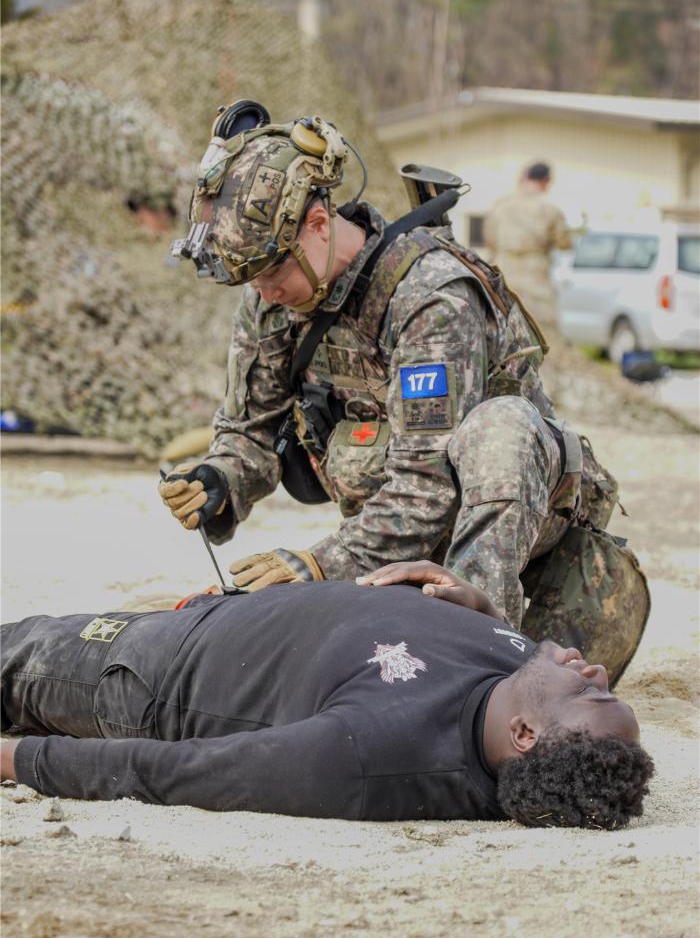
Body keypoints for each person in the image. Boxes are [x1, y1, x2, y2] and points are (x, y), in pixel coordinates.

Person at [158, 105, 613, 633]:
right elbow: (251, 429)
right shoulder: (272, 299)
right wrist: (219, 478)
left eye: (273, 272)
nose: (264, 293)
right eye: (251, 280)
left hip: (523, 540)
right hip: (396, 545)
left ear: (319, 224)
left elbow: (428, 486)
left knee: (501, 428)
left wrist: (318, 564)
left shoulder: (430, 296)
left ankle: (477, 643)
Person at [0, 578, 653, 828]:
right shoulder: (520, 674)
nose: (594, 668)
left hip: (143, 670)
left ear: (526, 735)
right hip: (218, 615)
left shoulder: (371, 755)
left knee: (15, 651)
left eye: (591, 692)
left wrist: (16, 760)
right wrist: (478, 608)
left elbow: (177, 770)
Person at [483, 161, 570, 326]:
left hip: (503, 272)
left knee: (504, 326)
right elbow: (564, 243)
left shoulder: (500, 206)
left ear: (525, 177)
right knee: (542, 330)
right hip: (536, 277)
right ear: (547, 181)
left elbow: (490, 239)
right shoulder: (550, 208)